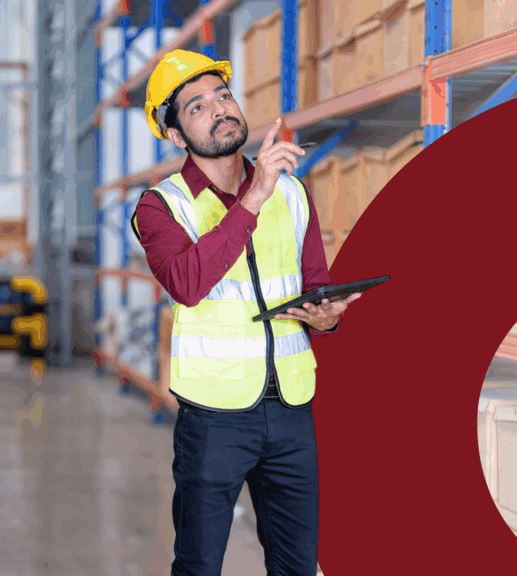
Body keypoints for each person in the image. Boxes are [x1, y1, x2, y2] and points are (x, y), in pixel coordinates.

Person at [130, 49, 359, 576]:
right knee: (199, 565)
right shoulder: (161, 206)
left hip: (292, 410)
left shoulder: (293, 193)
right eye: (197, 107)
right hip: (214, 416)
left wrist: (327, 317)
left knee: (298, 566)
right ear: (175, 135)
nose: (219, 110)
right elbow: (186, 283)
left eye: (223, 96)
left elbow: (315, 286)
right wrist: (252, 199)